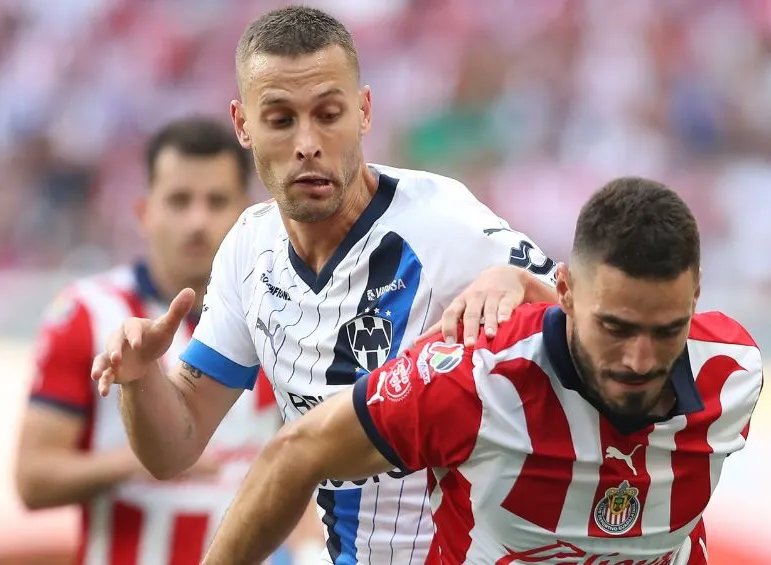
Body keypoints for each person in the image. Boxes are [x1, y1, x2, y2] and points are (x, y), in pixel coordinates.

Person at [89, 6, 558, 565]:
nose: (307, 143)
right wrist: (141, 379)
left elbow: (593, 319)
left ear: (364, 111)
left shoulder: (444, 225)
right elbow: (176, 447)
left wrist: (519, 281)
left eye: (328, 114)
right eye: (280, 120)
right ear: (243, 124)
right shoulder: (248, 247)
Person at [200, 177, 766, 565]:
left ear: (695, 298)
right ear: (566, 292)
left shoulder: (734, 372)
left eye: (666, 330)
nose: (640, 360)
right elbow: (295, 453)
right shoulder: (474, 377)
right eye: (614, 328)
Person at [14, 117, 300, 564]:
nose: (198, 221)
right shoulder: (86, 314)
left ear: (246, 214)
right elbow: (33, 479)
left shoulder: (284, 314)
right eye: (179, 201)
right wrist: (152, 454)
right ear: (144, 212)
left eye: (216, 201)